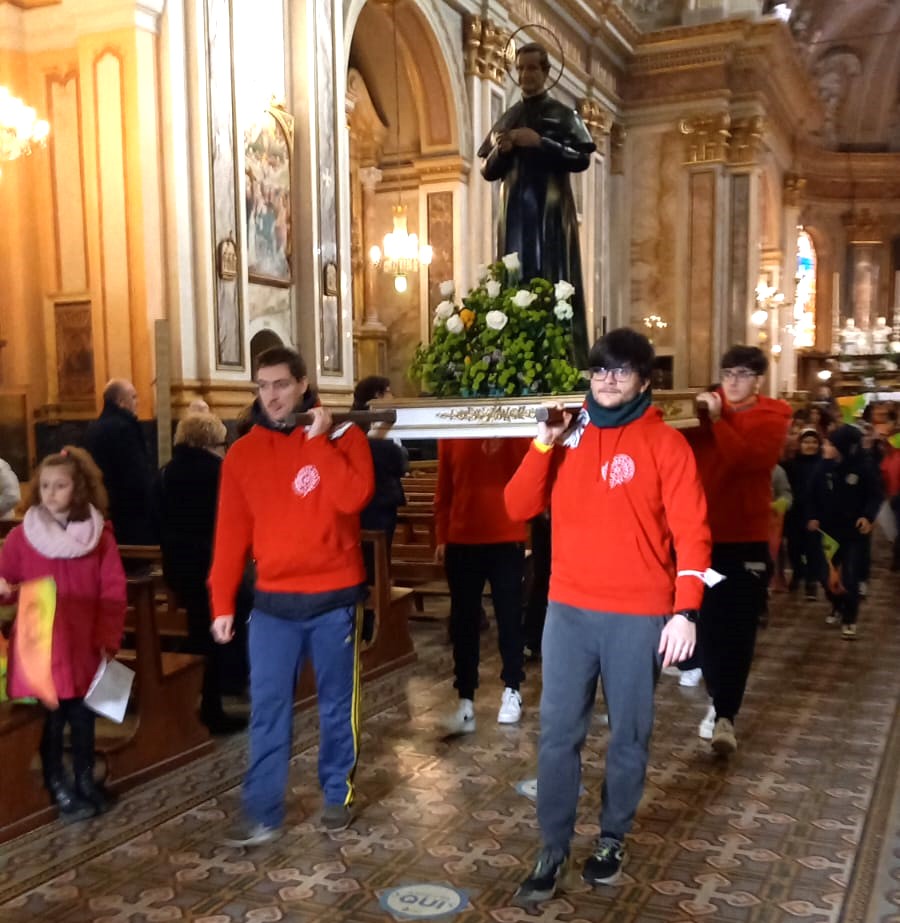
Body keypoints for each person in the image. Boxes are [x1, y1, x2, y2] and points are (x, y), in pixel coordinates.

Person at [505, 328, 712, 902]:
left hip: (638, 613)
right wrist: (542, 445)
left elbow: (693, 533)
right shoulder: (568, 436)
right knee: (557, 735)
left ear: (645, 380)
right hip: (568, 610)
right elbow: (517, 506)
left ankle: (612, 837)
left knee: (630, 735)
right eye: (599, 370)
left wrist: (685, 611)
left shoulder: (666, 444)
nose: (607, 380)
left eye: (620, 370)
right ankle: (553, 844)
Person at [208, 346, 374, 846]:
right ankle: (262, 810)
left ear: (303, 384)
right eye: (262, 386)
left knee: (336, 705)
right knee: (267, 709)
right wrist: (221, 603)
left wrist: (318, 443)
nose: (272, 395)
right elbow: (230, 534)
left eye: (281, 384)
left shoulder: (345, 436)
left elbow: (353, 498)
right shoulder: (243, 453)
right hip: (273, 605)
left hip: (333, 598)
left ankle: (336, 794)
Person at [0, 447, 126, 821]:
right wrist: (4, 588)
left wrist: (109, 637)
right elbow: (7, 577)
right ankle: (56, 783)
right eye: (45, 486)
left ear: (79, 488)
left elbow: (113, 592)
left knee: (84, 714)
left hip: (83, 640)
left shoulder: (99, 537)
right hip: (41, 642)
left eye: (61, 486)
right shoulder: (23, 537)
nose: (51, 493)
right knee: (51, 718)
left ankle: (85, 779)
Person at [685, 346, 791, 756]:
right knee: (708, 625)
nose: (732, 381)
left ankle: (726, 714)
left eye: (743, 374)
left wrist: (718, 420)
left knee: (740, 628)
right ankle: (718, 699)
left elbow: (747, 461)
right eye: (727, 372)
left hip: (746, 539)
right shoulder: (702, 406)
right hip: (704, 538)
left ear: (758, 380)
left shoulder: (773, 414)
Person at [478, 41, 595, 367]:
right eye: (520, 69)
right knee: (514, 275)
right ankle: (513, 353)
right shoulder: (509, 117)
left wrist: (540, 142)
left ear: (545, 71)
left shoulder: (562, 114)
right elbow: (487, 170)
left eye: (532, 68)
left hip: (549, 211)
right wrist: (502, 150)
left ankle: (558, 355)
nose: (525, 75)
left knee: (549, 271)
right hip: (513, 214)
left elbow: (581, 158)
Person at [155, 413, 246, 734]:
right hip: (213, 566)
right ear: (210, 442)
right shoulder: (220, 472)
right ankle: (214, 704)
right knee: (218, 634)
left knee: (198, 634)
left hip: (177, 567)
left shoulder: (165, 473)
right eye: (222, 443)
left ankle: (194, 702)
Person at [435, 437, 530, 733]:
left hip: (506, 535)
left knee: (509, 618)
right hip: (462, 537)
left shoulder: (515, 430)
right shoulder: (450, 433)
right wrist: (441, 535)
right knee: (464, 623)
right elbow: (444, 487)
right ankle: (465, 698)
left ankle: (512, 688)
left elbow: (528, 473)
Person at [807, 425, 882, 639]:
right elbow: (810, 495)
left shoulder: (863, 467)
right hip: (827, 532)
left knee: (850, 575)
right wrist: (812, 516)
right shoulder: (822, 468)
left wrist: (867, 516)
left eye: (831, 444)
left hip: (853, 533)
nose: (825, 447)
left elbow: (875, 495)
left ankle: (850, 618)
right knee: (825, 576)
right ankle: (837, 605)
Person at [83, 379, 156, 545]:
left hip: (102, 507)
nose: (138, 402)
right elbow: (136, 475)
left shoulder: (93, 428)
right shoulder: (125, 428)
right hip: (128, 513)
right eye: (134, 397)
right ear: (121, 402)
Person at [783, 428, 823, 597]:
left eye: (814, 442)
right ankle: (797, 573)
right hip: (794, 513)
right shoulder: (791, 465)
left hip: (815, 513)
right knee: (794, 547)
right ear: (800, 444)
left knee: (813, 548)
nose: (810, 445)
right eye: (806, 442)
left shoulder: (823, 465)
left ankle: (811, 581)